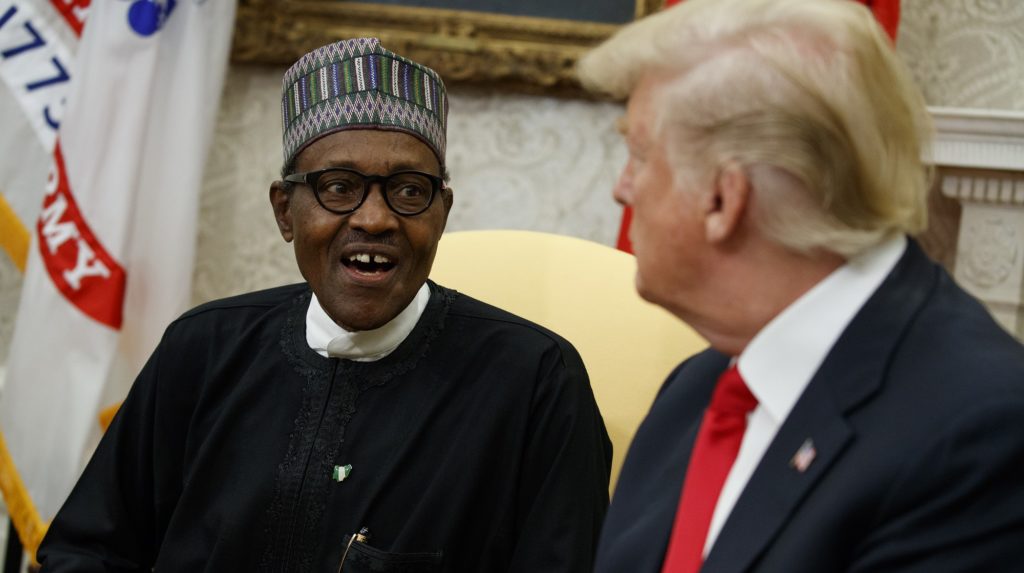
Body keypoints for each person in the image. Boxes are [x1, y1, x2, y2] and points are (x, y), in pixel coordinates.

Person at [37, 38, 611, 572]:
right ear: (286, 211)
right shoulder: (203, 348)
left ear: (443, 212)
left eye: (410, 190)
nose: (375, 218)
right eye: (339, 187)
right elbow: (86, 552)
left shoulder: (535, 381)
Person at [576, 0, 1024, 571]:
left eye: (639, 154)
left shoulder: (979, 434)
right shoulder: (697, 390)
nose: (623, 187)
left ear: (722, 198)